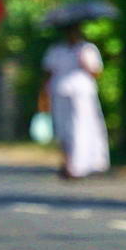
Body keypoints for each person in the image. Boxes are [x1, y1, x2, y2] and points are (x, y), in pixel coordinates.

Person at [39, 23, 110, 179]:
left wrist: (84, 62)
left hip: (82, 94)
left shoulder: (87, 49)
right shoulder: (57, 50)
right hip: (61, 92)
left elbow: (96, 72)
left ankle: (81, 165)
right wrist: (44, 95)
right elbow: (48, 73)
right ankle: (67, 162)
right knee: (63, 129)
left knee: (81, 128)